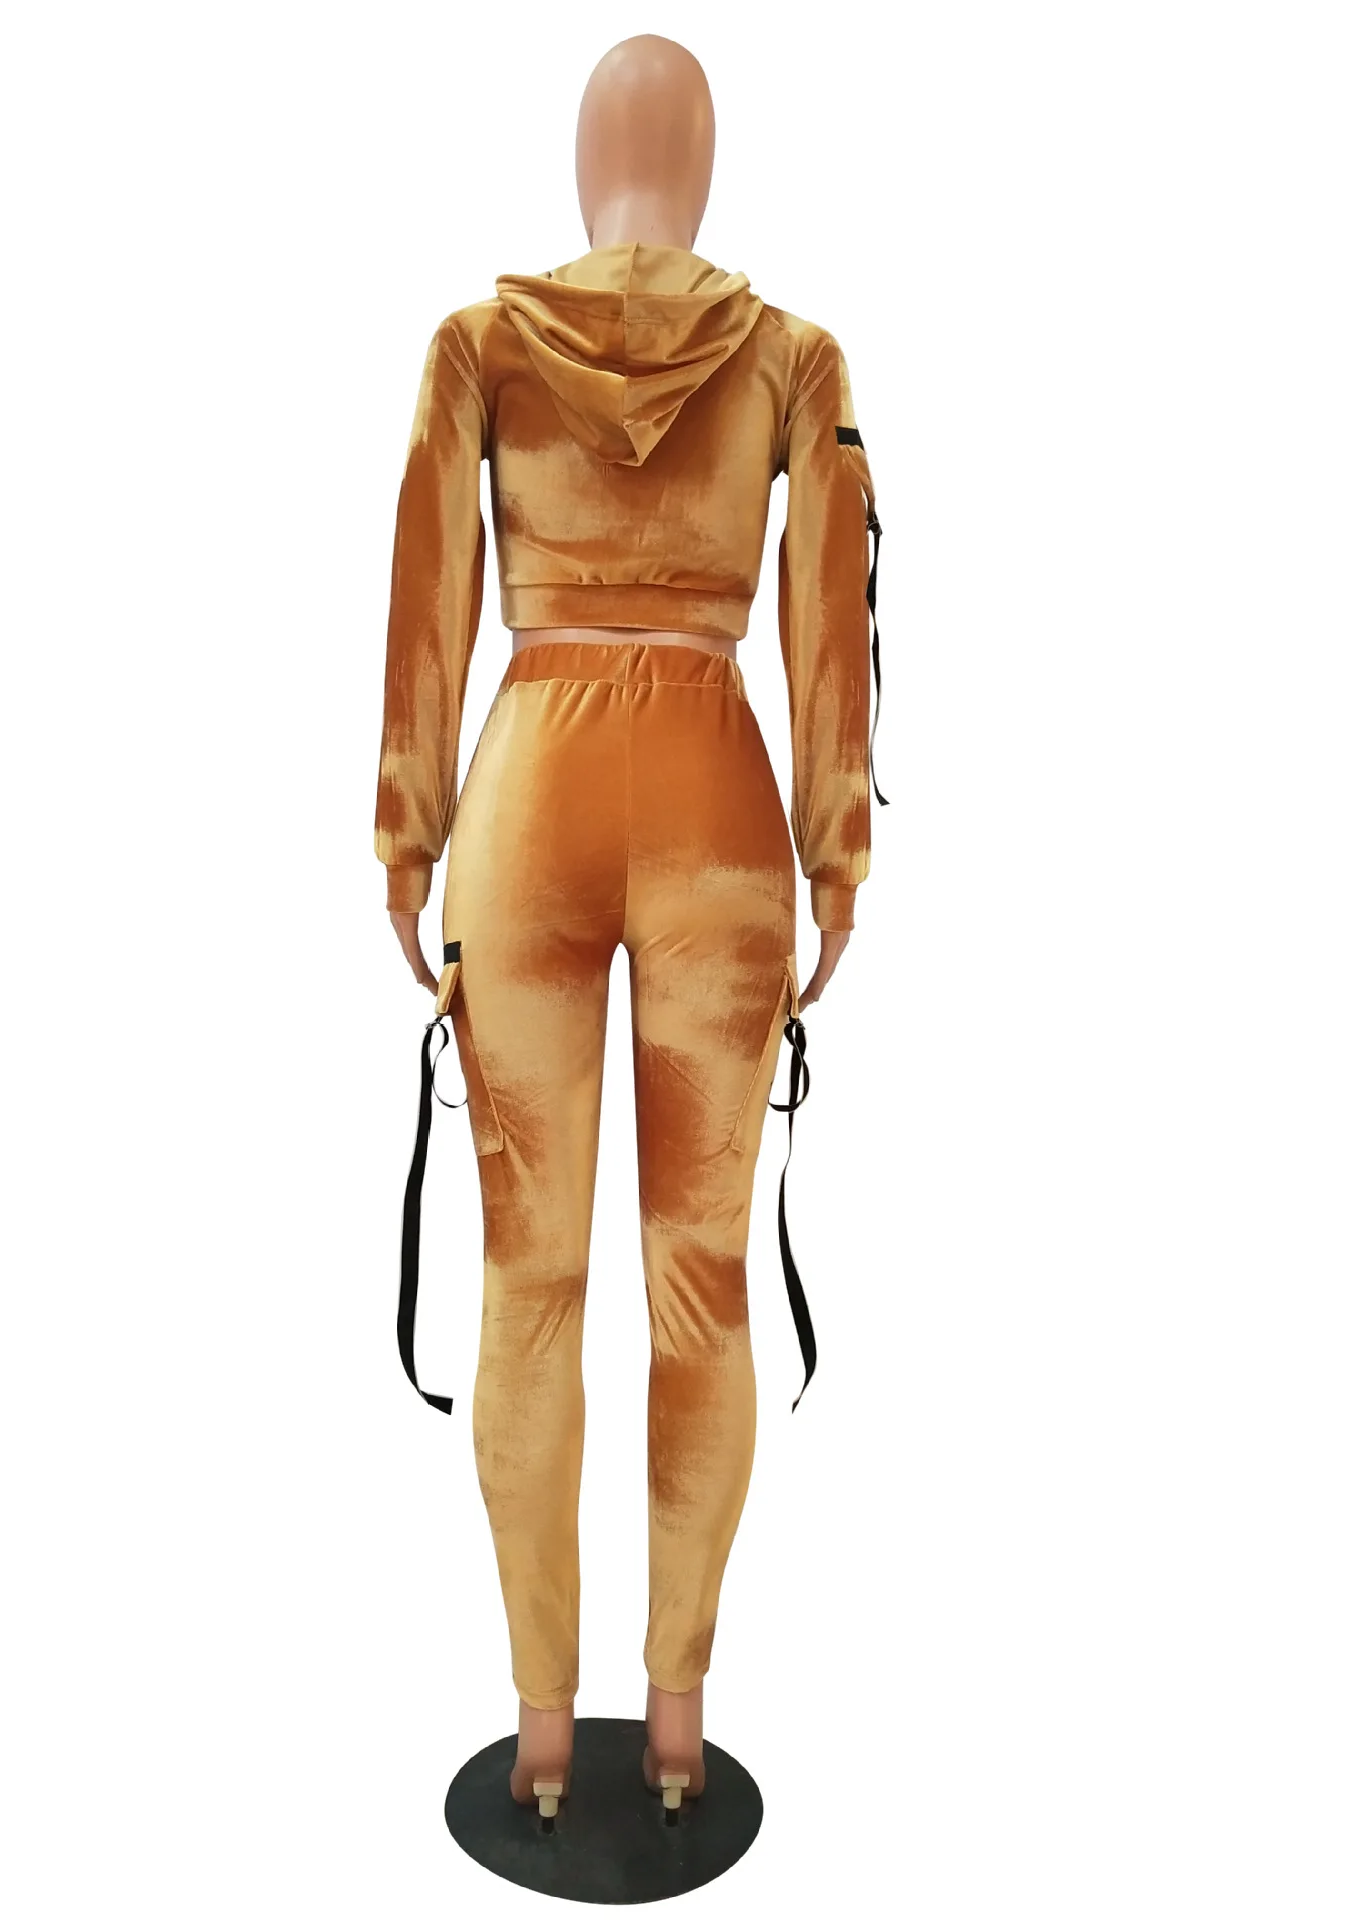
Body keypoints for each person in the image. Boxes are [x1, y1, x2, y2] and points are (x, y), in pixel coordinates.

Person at [375, 35, 882, 1822]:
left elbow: (430, 599)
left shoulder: (480, 346)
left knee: (529, 1284)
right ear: (706, 167)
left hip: (525, 795)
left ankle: (538, 1729)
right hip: (715, 810)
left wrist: (404, 835)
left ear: (586, 163)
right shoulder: (794, 358)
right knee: (700, 1281)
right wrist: (836, 854)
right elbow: (829, 622)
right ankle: (673, 1726)